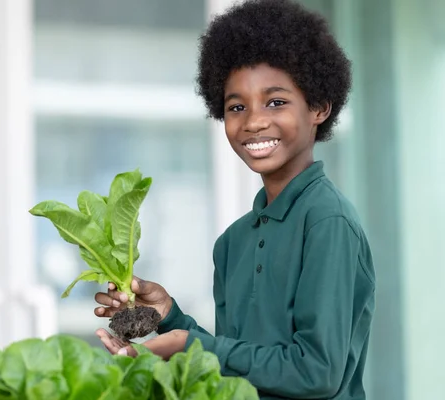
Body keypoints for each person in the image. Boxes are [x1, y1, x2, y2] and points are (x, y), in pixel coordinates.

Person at [94, 0, 376, 398]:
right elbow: (238, 370)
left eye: (276, 101)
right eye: (236, 106)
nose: (254, 121)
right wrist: (167, 319)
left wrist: (189, 346)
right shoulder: (232, 243)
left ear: (319, 107)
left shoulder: (328, 222)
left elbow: (318, 373)